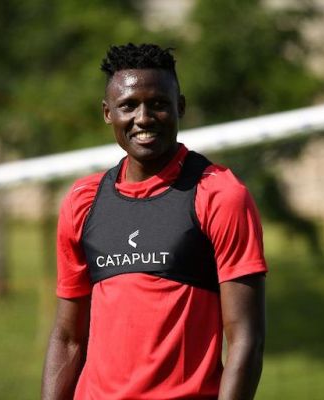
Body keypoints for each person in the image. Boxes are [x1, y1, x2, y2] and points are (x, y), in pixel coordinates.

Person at [41, 43, 267, 400]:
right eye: (128, 105)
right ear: (107, 112)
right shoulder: (83, 202)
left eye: (158, 104)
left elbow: (246, 339)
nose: (143, 118)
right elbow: (68, 339)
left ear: (180, 106)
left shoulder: (219, 195)